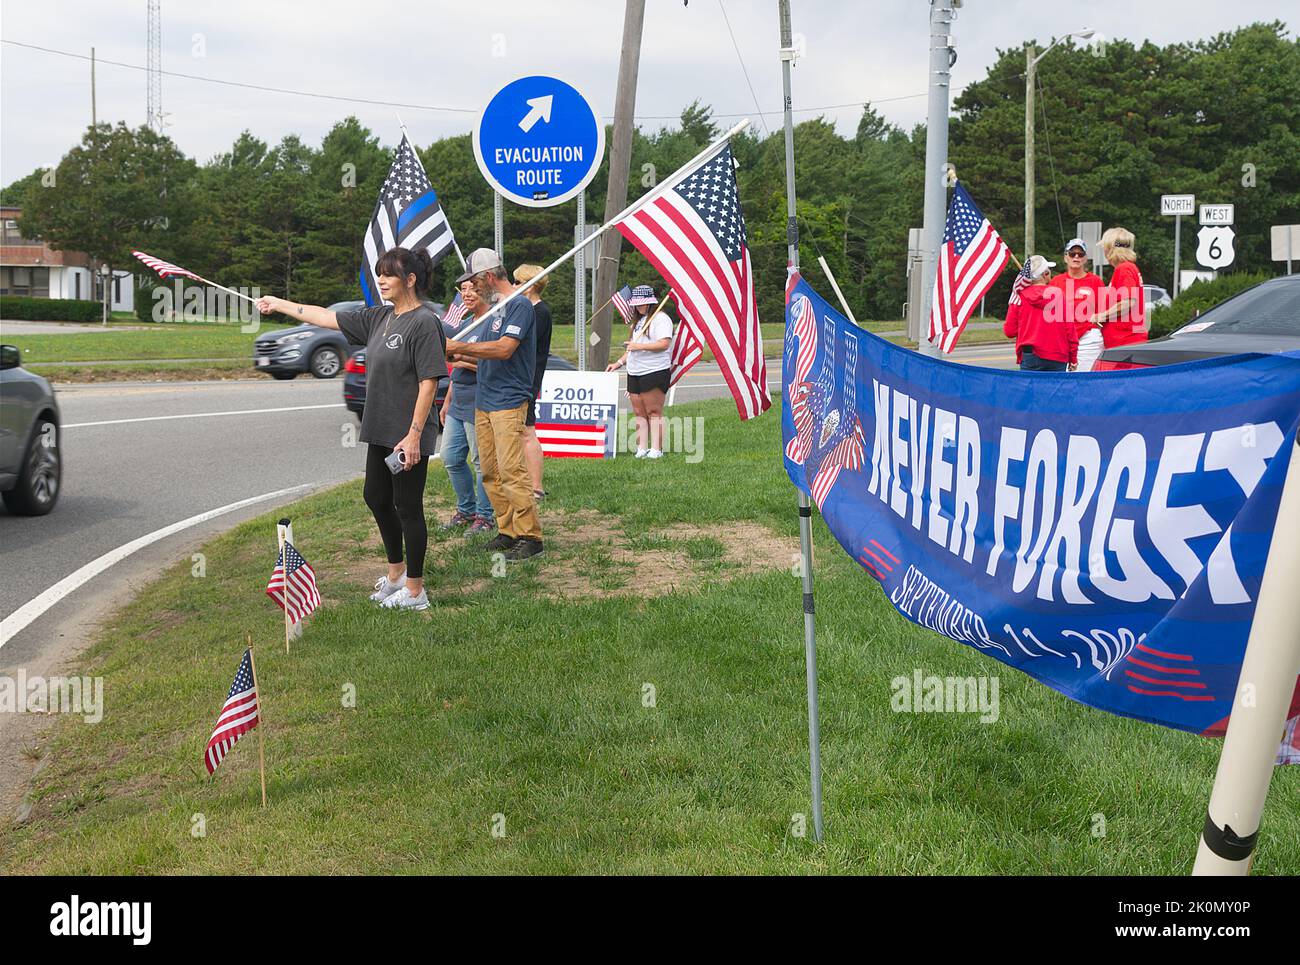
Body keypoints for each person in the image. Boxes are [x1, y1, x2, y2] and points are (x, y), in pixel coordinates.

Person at [255, 247, 444, 611]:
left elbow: (429, 382)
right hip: (380, 426)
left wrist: (415, 434)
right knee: (375, 497)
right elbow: (325, 318)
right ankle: (397, 575)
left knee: (408, 506)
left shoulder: (424, 322)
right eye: (379, 273)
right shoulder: (379, 317)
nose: (382, 280)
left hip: (408, 432)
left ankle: (417, 592)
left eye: (389, 274)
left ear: (411, 279)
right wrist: (279, 303)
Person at [445, 248, 544, 562]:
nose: (472, 289)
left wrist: (458, 346)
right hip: (483, 399)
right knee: (489, 470)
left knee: (511, 469)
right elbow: (481, 349)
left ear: (488, 276)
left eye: (475, 281)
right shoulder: (495, 308)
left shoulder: (519, 306)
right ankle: (507, 530)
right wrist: (456, 353)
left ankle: (530, 536)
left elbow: (503, 349)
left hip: (509, 400)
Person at [438, 280, 495, 537]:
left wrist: (461, 358)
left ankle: (486, 517)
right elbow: (455, 365)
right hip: (457, 400)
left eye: (472, 288)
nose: (467, 294)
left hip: (479, 399)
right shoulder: (464, 324)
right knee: (450, 458)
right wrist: (448, 399)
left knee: (481, 462)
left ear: (486, 290)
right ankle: (466, 511)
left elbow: (494, 365)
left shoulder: (492, 323)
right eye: (463, 289)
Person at [605, 285, 672, 458]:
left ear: (650, 303)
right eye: (636, 304)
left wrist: (639, 346)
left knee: (653, 411)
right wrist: (618, 362)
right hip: (634, 371)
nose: (639, 307)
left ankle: (656, 449)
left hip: (654, 371)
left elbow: (664, 344)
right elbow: (631, 349)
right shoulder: (638, 322)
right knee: (639, 412)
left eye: (642, 304)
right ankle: (642, 448)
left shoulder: (661, 319)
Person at [513, 264, 552, 501]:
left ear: (529, 285)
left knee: (527, 432)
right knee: (520, 432)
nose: (514, 286)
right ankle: (526, 480)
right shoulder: (528, 310)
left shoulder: (539, 312)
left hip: (527, 379)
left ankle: (536, 486)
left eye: (518, 282)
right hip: (520, 378)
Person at [1003, 255, 1077, 371]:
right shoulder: (1058, 294)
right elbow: (1070, 330)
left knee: (1032, 389)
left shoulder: (1019, 296)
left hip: (1030, 355)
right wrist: (1073, 358)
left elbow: (1009, 331)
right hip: (1058, 355)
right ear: (1045, 274)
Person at [1049, 237, 1105, 372]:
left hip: (1088, 340)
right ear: (1065, 257)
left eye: (1080, 254)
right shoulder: (1056, 282)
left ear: (1085, 258)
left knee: (1085, 380)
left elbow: (1104, 312)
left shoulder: (1096, 281)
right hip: (1062, 339)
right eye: (1072, 253)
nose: (1076, 257)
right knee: (1064, 381)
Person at [1090, 226, 1149, 349]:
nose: (1104, 252)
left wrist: (1102, 316)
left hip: (1125, 342)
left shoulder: (1124, 269)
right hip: (1125, 341)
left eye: (1105, 248)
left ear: (1111, 249)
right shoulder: (1127, 268)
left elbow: (1127, 302)